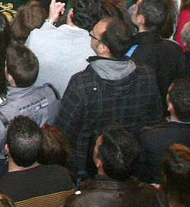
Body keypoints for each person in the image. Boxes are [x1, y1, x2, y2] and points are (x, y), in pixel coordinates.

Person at [56, 16, 163, 175]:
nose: (90, 35)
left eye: (92, 34)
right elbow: (154, 119)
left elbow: (63, 131)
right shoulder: (146, 76)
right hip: (130, 163)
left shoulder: (81, 84)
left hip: (86, 168)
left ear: (103, 48)